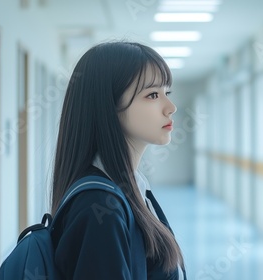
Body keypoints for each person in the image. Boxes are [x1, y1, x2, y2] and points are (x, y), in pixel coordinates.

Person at [50, 41, 187, 280]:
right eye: (153, 95)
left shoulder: (128, 188)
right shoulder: (99, 208)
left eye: (168, 93)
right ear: (108, 107)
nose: (170, 107)